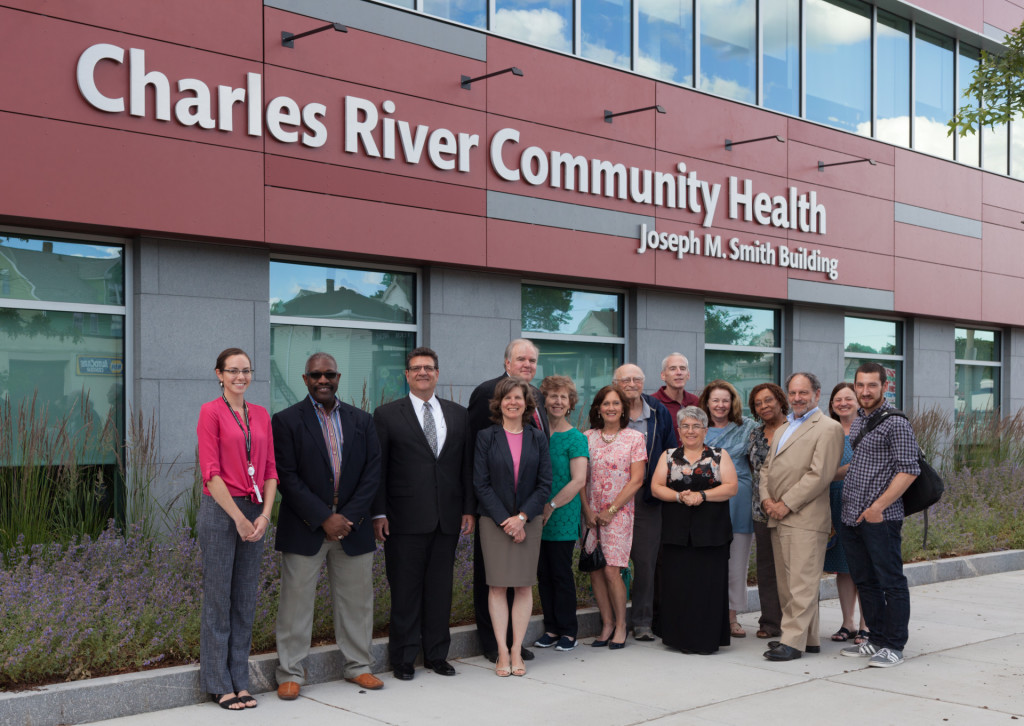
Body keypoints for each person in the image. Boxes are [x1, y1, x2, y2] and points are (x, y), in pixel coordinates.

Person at [272, 353, 383, 700]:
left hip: (353, 525)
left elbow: (372, 472)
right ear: (305, 379)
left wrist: (346, 517)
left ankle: (358, 667)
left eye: (330, 374)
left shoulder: (362, 420)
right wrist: (324, 517)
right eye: (316, 375)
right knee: (295, 604)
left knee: (357, 602)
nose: (324, 380)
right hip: (306, 526)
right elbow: (286, 477)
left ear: (338, 377)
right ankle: (290, 672)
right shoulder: (286, 421)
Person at [372, 347, 476, 680]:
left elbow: (466, 467)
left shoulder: (459, 415)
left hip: (447, 518)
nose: (422, 373)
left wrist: (468, 510)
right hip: (402, 520)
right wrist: (378, 513)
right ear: (406, 375)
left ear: (437, 373)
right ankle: (402, 659)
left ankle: (436, 654)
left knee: (439, 590)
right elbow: (379, 469)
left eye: (428, 368)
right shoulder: (387, 414)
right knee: (405, 591)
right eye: (416, 368)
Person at [196, 348, 278, 710]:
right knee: (219, 598)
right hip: (221, 510)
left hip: (255, 511)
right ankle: (218, 682)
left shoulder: (260, 414)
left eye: (246, 370)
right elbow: (210, 473)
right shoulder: (210, 412)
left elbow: (272, 470)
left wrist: (264, 515)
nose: (240, 377)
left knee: (245, 599)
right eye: (233, 371)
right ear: (219, 374)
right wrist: (238, 517)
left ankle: (240, 680)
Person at [467, 338, 547, 663]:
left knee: (522, 581)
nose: (527, 364)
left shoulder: (536, 397)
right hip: (493, 511)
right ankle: (493, 644)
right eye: (521, 359)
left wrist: (526, 514)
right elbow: (472, 453)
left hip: (527, 508)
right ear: (506, 363)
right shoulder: (486, 391)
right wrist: (500, 515)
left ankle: (515, 644)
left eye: (532, 360)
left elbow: (542, 467)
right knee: (493, 579)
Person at [759, 372, 844, 662]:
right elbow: (766, 468)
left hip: (804, 517)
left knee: (801, 583)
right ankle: (807, 639)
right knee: (787, 583)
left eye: (803, 393)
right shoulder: (784, 428)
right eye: (793, 393)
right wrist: (767, 500)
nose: (797, 398)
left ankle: (792, 642)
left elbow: (819, 475)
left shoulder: (829, 428)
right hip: (777, 515)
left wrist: (786, 503)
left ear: (817, 395)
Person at [840, 362, 920, 668]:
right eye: (860, 385)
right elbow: (864, 465)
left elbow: (908, 470)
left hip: (880, 518)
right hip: (852, 516)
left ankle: (894, 645)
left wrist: (878, 508)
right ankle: (875, 639)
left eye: (872, 385)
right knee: (865, 580)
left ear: (885, 386)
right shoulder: (859, 419)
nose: (864, 391)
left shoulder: (895, 422)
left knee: (890, 581)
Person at [650, 406, 738, 654]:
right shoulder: (668, 456)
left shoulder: (720, 455)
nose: (690, 431)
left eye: (696, 426)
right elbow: (656, 487)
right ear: (679, 430)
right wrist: (679, 496)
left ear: (705, 430)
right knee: (679, 586)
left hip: (712, 535)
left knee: (708, 587)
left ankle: (707, 639)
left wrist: (701, 495)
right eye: (685, 426)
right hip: (677, 535)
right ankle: (678, 638)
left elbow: (731, 487)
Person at [581, 384, 647, 650]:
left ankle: (621, 625)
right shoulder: (586, 437)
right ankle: (606, 624)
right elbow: (580, 479)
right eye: (605, 403)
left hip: (618, 513)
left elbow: (637, 480)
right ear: (598, 408)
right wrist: (588, 512)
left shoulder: (634, 438)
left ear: (624, 409)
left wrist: (610, 511)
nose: (610, 408)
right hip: (590, 513)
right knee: (595, 570)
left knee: (611, 570)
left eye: (615, 404)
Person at [612, 363, 675, 642]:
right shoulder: (609, 408)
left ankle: (642, 622)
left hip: (647, 497)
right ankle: (615, 621)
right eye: (625, 379)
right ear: (616, 382)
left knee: (645, 563)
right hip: (613, 496)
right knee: (613, 562)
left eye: (637, 378)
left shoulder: (657, 410)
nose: (631, 383)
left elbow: (670, 449)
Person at [533, 375, 588, 652]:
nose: (557, 401)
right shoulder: (535, 432)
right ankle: (551, 628)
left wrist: (551, 506)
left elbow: (578, 480)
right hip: (534, 515)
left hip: (562, 513)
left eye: (562, 397)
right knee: (542, 573)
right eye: (552, 396)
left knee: (560, 573)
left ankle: (568, 630)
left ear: (570, 403)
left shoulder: (575, 437)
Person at [699, 380, 755, 638]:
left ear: (732, 403)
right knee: (707, 561)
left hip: (739, 499)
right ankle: (708, 613)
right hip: (706, 499)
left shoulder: (748, 428)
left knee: (736, 561)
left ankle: (732, 617)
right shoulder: (696, 429)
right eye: (715, 400)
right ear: (706, 403)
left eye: (725, 400)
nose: (720, 405)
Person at [825, 382, 868, 644]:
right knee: (843, 567)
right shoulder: (828, 431)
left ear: (858, 401)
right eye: (837, 399)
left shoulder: (869, 428)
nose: (842, 403)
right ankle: (847, 623)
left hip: (864, 504)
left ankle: (867, 624)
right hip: (834, 502)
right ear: (831, 405)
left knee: (865, 565)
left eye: (848, 398)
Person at [746, 382, 789, 640]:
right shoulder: (754, 434)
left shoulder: (797, 430)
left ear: (780, 400)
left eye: (768, 400)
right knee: (766, 567)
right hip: (761, 509)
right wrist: (765, 500)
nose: (764, 406)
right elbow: (754, 470)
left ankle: (796, 623)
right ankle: (771, 622)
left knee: (793, 567)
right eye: (758, 403)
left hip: (792, 508)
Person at [651, 353, 699, 436]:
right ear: (663, 375)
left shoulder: (696, 402)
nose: (679, 372)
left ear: (688, 375)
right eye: (673, 369)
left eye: (682, 368)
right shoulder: (652, 403)